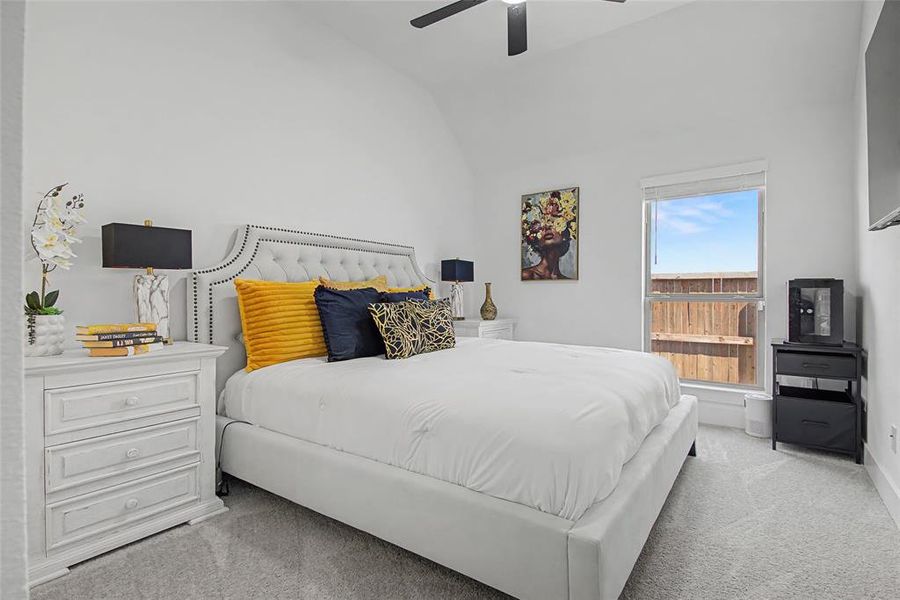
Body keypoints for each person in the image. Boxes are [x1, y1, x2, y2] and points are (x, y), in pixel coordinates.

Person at [521, 190, 577, 280]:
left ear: (566, 233)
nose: (547, 226)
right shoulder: (526, 276)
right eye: (540, 222)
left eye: (554, 221)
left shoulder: (567, 281)